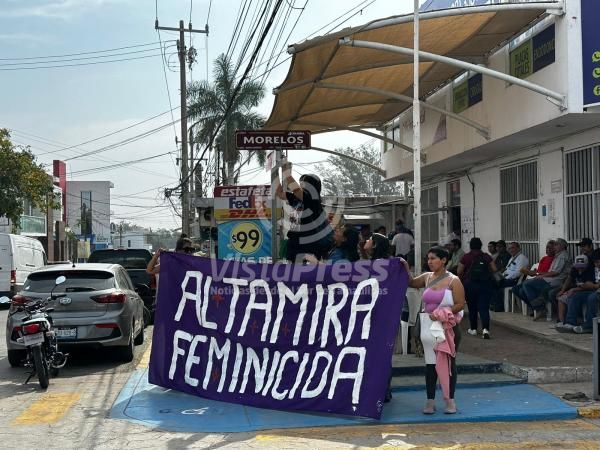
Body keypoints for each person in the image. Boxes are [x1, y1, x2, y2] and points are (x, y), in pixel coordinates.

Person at [403, 246, 465, 414]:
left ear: (443, 260)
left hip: (448, 328)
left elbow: (460, 304)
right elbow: (410, 282)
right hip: (428, 327)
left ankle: (449, 400)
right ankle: (430, 400)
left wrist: (442, 313)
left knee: (449, 364)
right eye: (428, 259)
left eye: (433, 258)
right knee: (430, 365)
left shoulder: (454, 280)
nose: (429, 262)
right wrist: (404, 266)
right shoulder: (426, 277)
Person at [275, 161, 333, 263]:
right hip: (295, 240)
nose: (301, 184)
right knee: (294, 272)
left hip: (310, 242)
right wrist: (274, 174)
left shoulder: (313, 200)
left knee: (310, 273)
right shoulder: (297, 199)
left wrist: (286, 173)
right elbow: (280, 193)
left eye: (304, 183)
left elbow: (296, 190)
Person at [512, 238, 571, 312]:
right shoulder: (558, 256)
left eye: (556, 245)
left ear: (562, 246)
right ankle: (535, 306)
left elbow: (555, 273)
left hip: (555, 280)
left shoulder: (562, 256)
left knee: (526, 284)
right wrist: (536, 273)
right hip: (549, 278)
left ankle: (538, 307)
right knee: (517, 288)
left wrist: (539, 275)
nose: (554, 247)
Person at [458, 237, 497, 339]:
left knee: (472, 307)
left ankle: (473, 329)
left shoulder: (466, 257)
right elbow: (494, 269)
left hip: (470, 285)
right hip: (485, 285)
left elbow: (459, 271)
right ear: (481, 245)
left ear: (470, 245)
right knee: (484, 308)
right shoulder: (486, 256)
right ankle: (485, 330)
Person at [556, 251, 600, 333]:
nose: (596, 265)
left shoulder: (591, 270)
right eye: (595, 263)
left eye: (597, 262)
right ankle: (570, 323)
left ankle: (589, 326)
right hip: (593, 290)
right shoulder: (597, 269)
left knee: (592, 298)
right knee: (575, 296)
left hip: (594, 291)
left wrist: (592, 286)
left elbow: (596, 286)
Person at [491, 242, 529, 311]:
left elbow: (518, 273)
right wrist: (502, 276)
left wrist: (505, 277)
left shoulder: (522, 258)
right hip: (507, 278)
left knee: (496, 284)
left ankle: (499, 306)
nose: (511, 250)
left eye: (513, 248)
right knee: (491, 282)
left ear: (518, 248)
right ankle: (495, 304)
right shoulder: (512, 258)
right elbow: (507, 269)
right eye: (509, 248)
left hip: (515, 280)